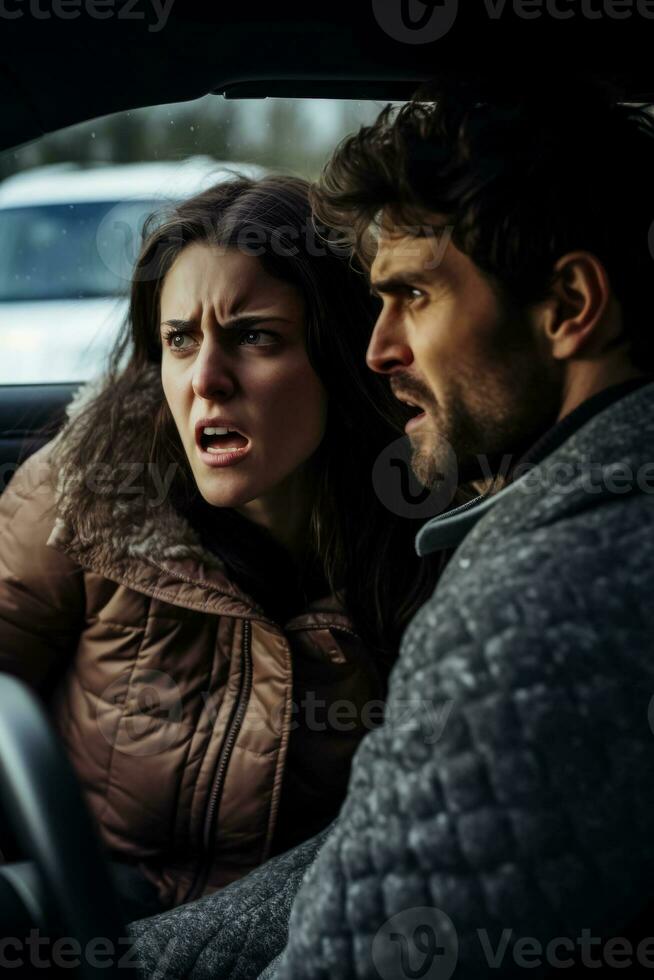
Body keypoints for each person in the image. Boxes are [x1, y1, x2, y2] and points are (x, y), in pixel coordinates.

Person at [127, 76, 654, 978]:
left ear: (568, 306)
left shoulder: (549, 598)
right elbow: (368, 854)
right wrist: (128, 959)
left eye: (413, 295)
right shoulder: (565, 527)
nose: (379, 350)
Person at [0, 175, 442, 921]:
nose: (206, 380)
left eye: (254, 336)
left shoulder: (428, 530)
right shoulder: (84, 496)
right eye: (179, 341)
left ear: (340, 351)